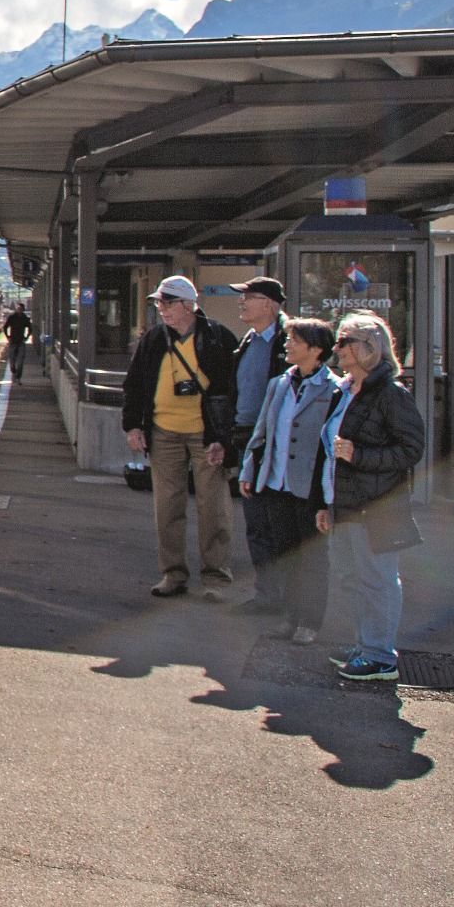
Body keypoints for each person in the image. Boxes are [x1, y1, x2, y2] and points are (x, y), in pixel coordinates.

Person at [317, 312, 426, 682]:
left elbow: (411, 451)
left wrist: (358, 455)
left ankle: (380, 655)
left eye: (344, 340)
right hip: (344, 504)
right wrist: (325, 503)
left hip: (376, 507)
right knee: (351, 577)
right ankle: (366, 645)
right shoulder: (345, 390)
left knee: (377, 580)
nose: (338, 348)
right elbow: (329, 452)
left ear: (370, 347)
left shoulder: (392, 395)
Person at [121, 274, 241, 599]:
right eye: (158, 303)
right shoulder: (153, 339)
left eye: (168, 302)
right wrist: (133, 425)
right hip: (163, 432)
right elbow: (133, 384)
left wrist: (225, 437)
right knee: (167, 506)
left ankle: (216, 579)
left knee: (213, 507)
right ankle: (173, 574)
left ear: (188, 305)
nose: (161, 309)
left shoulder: (217, 338)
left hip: (206, 435)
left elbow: (231, 390)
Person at [236, 316, 341, 644]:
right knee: (285, 554)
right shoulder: (279, 383)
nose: (286, 344)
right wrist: (249, 470)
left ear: (316, 349)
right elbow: (262, 432)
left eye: (294, 340)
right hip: (276, 484)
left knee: (311, 559)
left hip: (309, 489)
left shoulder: (334, 388)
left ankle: (309, 621)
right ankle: (289, 618)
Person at [223, 276, 290, 613]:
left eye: (249, 296)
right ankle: (266, 595)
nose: (242, 302)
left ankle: (288, 598)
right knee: (256, 522)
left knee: (279, 522)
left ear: (269, 304)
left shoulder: (288, 343)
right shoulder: (248, 341)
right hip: (247, 438)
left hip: (277, 444)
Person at [3, 302, 33, 381]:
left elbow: (30, 328)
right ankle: (13, 370)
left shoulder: (25, 318)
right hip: (12, 340)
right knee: (12, 359)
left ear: (23, 310)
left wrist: (27, 337)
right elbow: (5, 327)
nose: (19, 310)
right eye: (18, 309)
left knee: (20, 360)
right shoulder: (12, 317)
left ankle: (18, 376)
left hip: (21, 341)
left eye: (21, 309)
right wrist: (7, 337)